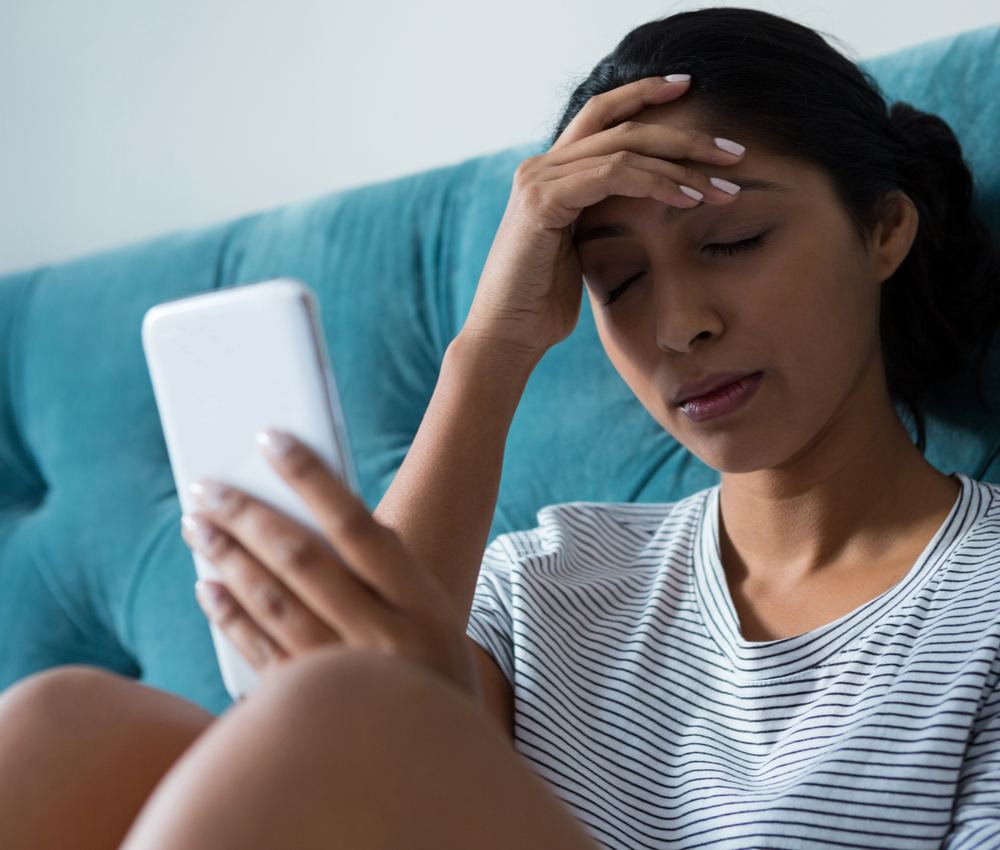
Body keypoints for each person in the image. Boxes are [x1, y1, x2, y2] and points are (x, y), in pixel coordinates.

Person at [1, 6, 999, 849]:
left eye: (732, 241)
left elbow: (346, 719)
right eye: (618, 277)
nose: (678, 324)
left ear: (882, 229)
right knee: (65, 719)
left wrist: (402, 714)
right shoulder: (548, 578)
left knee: (344, 706)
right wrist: (490, 346)